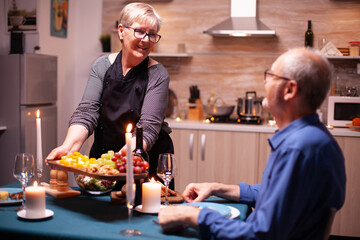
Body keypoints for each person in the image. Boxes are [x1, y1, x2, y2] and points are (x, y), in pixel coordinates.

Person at [158, 48, 346, 239]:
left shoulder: (298, 148)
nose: (265, 81)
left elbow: (259, 235)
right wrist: (216, 187)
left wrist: (196, 215)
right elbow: (275, 195)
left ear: (289, 90)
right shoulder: (310, 138)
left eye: (271, 75)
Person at [46, 2, 174, 181]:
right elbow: (87, 112)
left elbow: (149, 127)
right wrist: (68, 147)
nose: (146, 39)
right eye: (140, 31)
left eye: (152, 34)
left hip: (143, 162)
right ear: (121, 31)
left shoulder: (158, 74)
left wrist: (119, 162)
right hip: (103, 156)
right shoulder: (102, 65)